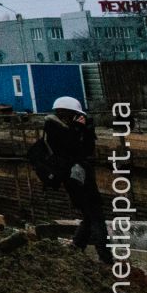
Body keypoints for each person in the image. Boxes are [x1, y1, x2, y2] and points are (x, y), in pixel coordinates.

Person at [40, 95, 111, 262]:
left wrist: (87, 132)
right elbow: (68, 149)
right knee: (96, 215)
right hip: (73, 176)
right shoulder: (53, 127)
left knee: (89, 214)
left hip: (81, 174)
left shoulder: (71, 127)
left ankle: (76, 247)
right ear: (66, 113)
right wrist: (77, 129)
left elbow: (86, 150)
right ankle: (105, 258)